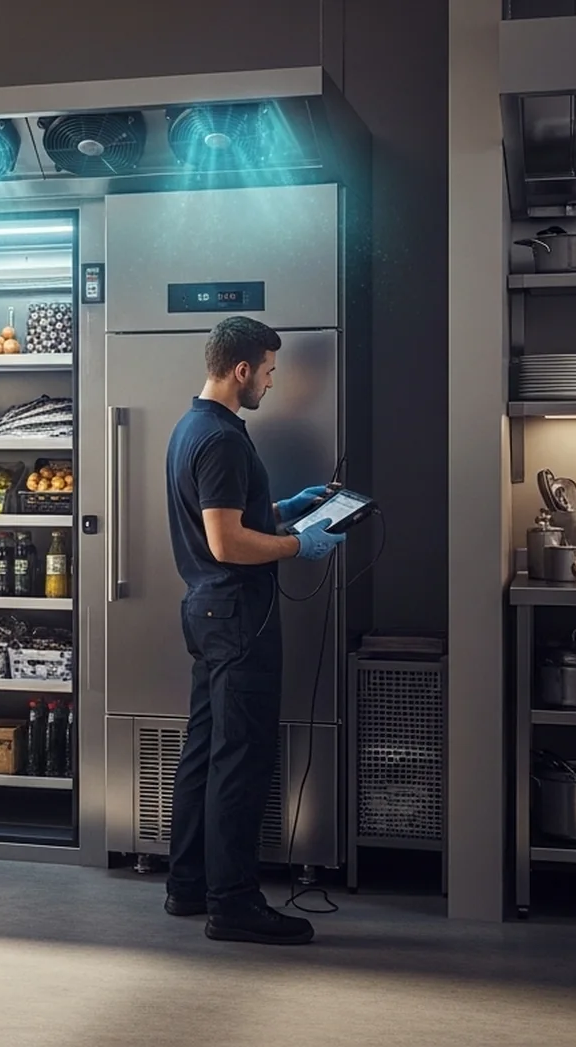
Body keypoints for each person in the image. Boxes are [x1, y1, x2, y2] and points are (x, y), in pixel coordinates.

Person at [160, 316, 343, 946]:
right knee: (240, 760)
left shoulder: (193, 427)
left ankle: (187, 885)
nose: (272, 379)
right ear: (242, 370)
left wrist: (289, 508)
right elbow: (227, 540)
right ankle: (233, 904)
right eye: (268, 370)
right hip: (238, 614)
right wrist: (299, 544)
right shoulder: (225, 439)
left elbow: (231, 513)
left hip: (207, 612)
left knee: (205, 752)